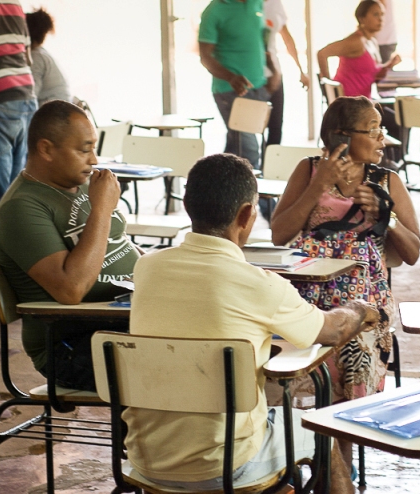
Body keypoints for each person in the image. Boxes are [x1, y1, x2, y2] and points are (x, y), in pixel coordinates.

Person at [124, 153, 375, 493]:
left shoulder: (148, 268)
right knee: (319, 432)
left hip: (144, 459)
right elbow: (333, 329)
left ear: (187, 206)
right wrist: (360, 308)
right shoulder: (259, 284)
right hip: (226, 465)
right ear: (246, 215)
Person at [270, 95, 420, 470]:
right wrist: (319, 183)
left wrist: (385, 216)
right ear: (341, 136)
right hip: (308, 296)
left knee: (351, 358)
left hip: (365, 302)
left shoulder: (386, 181)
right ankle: (304, 448)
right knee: (283, 353)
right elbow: (280, 234)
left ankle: (340, 459)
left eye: (380, 129)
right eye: (373, 130)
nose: (382, 138)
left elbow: (414, 251)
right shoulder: (308, 171)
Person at [0, 101, 139, 391]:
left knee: (215, 328)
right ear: (46, 149)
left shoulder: (83, 184)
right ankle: (139, 437)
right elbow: (71, 289)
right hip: (71, 345)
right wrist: (101, 209)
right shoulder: (22, 207)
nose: (94, 160)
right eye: (84, 150)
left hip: (122, 321)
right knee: (185, 364)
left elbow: (121, 245)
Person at [0, 1, 38, 310]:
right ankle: (23, 282)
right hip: (25, 101)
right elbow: (26, 55)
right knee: (14, 198)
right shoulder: (12, 3)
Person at [317, 1, 402, 149]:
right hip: (351, 107)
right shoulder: (356, 41)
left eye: (382, 15)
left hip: (365, 103)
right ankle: (388, 163)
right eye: (376, 15)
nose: (381, 19)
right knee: (397, 120)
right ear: (362, 18)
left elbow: (374, 76)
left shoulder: (372, 42)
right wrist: (328, 84)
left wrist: (390, 65)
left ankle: (389, 161)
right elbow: (322, 53)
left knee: (397, 115)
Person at [198, 0, 273, 170]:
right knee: (249, 152)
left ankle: (218, 193)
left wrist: (273, 70)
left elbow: (260, 40)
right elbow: (205, 57)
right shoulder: (215, 10)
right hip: (231, 92)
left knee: (235, 150)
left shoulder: (256, 3)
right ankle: (256, 197)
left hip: (259, 88)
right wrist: (231, 77)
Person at [263, 0, 309, 147]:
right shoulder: (247, 4)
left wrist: (301, 69)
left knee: (276, 125)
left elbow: (287, 39)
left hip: (274, 72)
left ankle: (268, 166)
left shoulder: (276, 4)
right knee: (249, 127)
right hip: (251, 73)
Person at [25, 8, 71, 105]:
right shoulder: (42, 54)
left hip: (54, 113)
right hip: (60, 108)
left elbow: (31, 95)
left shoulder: (36, 57)